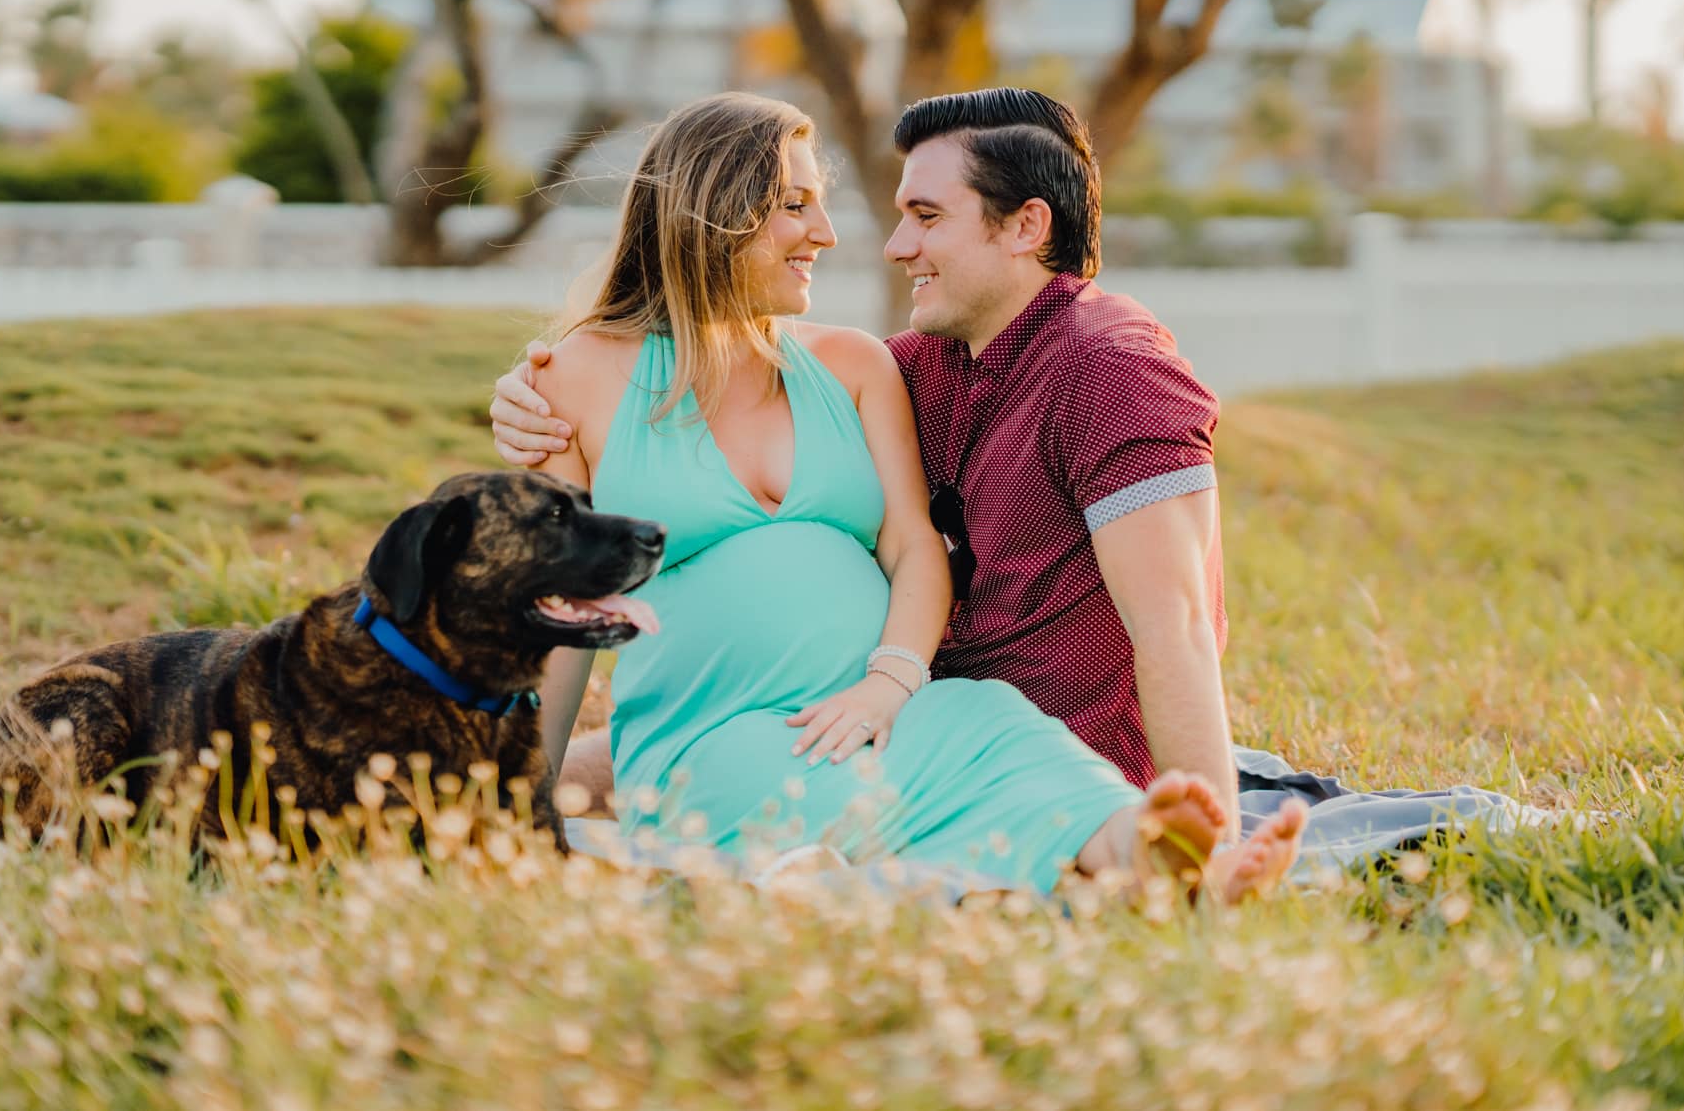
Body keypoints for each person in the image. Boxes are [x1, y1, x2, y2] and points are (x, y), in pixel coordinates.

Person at [509, 90, 1301, 899]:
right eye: (797, 205)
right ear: (713, 209)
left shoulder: (1066, 372)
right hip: (731, 733)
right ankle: (1059, 869)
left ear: (1025, 227)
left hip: (916, 711)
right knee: (815, 776)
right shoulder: (583, 383)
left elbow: (1166, 621)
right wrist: (522, 792)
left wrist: (890, 681)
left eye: (925, 215)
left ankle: (1164, 855)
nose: (861, 241)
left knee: (995, 724)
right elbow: (560, 615)